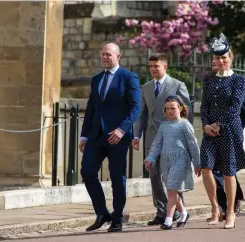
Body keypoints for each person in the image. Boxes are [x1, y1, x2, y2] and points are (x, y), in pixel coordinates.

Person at [79, 43, 141, 232]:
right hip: (96, 136)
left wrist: (122, 130)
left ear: (118, 56)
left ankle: (117, 218)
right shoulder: (97, 79)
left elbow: (135, 108)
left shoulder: (128, 78)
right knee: (87, 172)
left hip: (118, 138)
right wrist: (84, 135)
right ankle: (102, 213)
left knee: (117, 178)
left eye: (108, 54)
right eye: (103, 54)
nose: (105, 57)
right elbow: (91, 108)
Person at [132, 53, 192, 226]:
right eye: (150, 66)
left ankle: (181, 211)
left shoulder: (177, 85)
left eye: (156, 66)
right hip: (152, 137)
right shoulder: (146, 87)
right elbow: (141, 114)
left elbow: (185, 112)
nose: (152, 69)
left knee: (172, 177)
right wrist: (136, 136)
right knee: (154, 174)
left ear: (164, 66)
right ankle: (161, 211)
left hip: (172, 137)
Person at [200, 33, 245, 229]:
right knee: (206, 168)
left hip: (229, 129)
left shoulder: (239, 80)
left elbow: (235, 107)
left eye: (224, 58)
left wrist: (218, 124)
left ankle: (230, 212)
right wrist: (206, 125)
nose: (221, 61)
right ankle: (215, 208)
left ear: (230, 58)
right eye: (218, 58)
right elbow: (204, 106)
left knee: (228, 172)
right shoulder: (209, 80)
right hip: (209, 130)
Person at [145, 96, 201, 230]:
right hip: (166, 162)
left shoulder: (185, 124)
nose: (170, 111)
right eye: (167, 108)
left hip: (181, 160)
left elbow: (193, 145)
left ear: (180, 109)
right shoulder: (164, 125)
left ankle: (168, 220)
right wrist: (151, 158)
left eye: (173, 108)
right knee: (172, 190)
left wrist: (198, 163)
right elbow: (157, 144)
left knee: (171, 189)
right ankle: (184, 213)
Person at [209, 57, 245, 218]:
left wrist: (236, 127)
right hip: (212, 132)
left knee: (225, 168)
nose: (215, 64)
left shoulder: (236, 82)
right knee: (213, 168)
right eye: (213, 62)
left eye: (218, 61)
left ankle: (231, 204)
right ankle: (224, 205)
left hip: (229, 132)